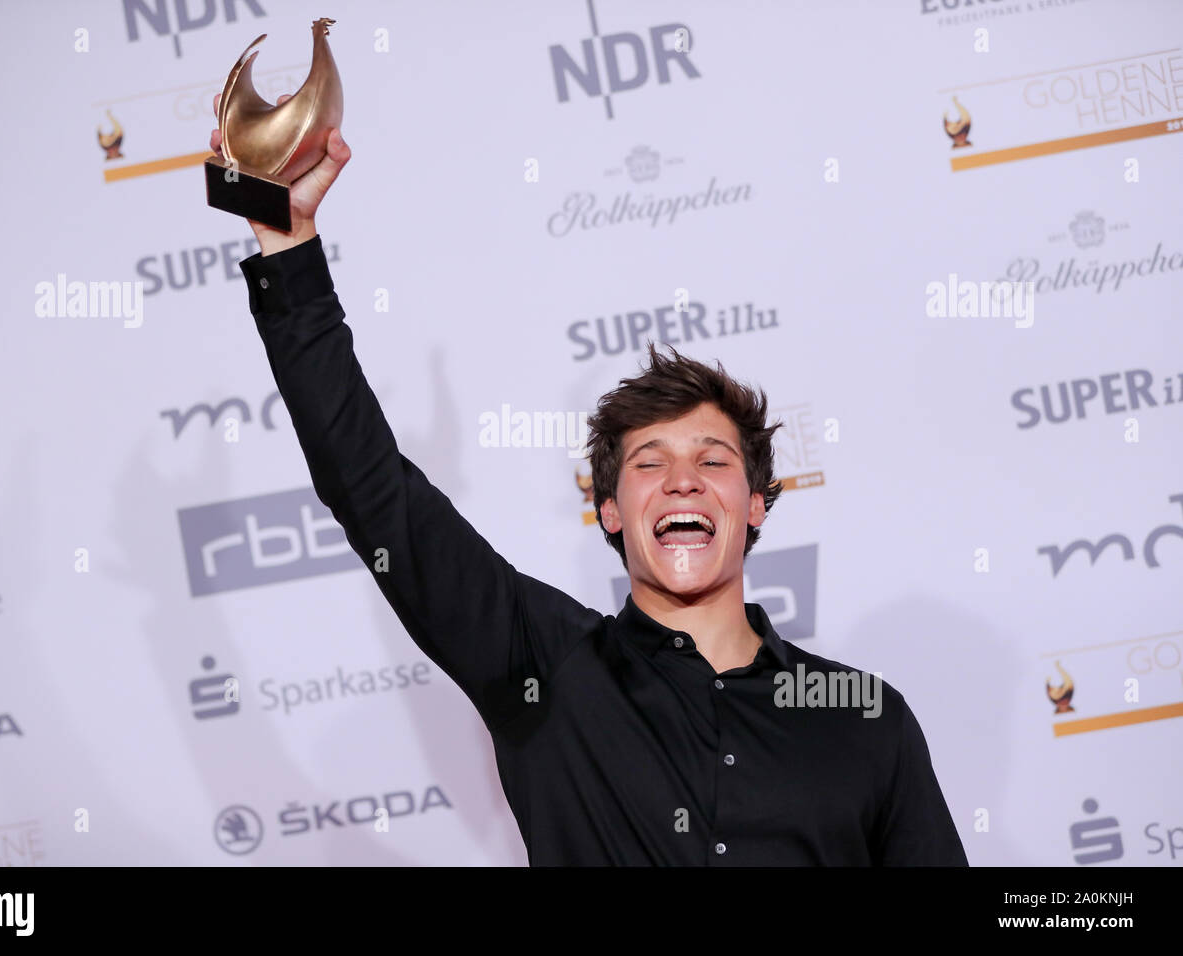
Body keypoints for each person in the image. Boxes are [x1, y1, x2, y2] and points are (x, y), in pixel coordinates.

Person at [211, 99, 968, 866]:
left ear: (756, 504)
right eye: (649, 464)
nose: (682, 482)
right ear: (609, 511)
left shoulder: (865, 715)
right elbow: (372, 493)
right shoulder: (543, 666)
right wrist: (284, 237)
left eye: (713, 461)